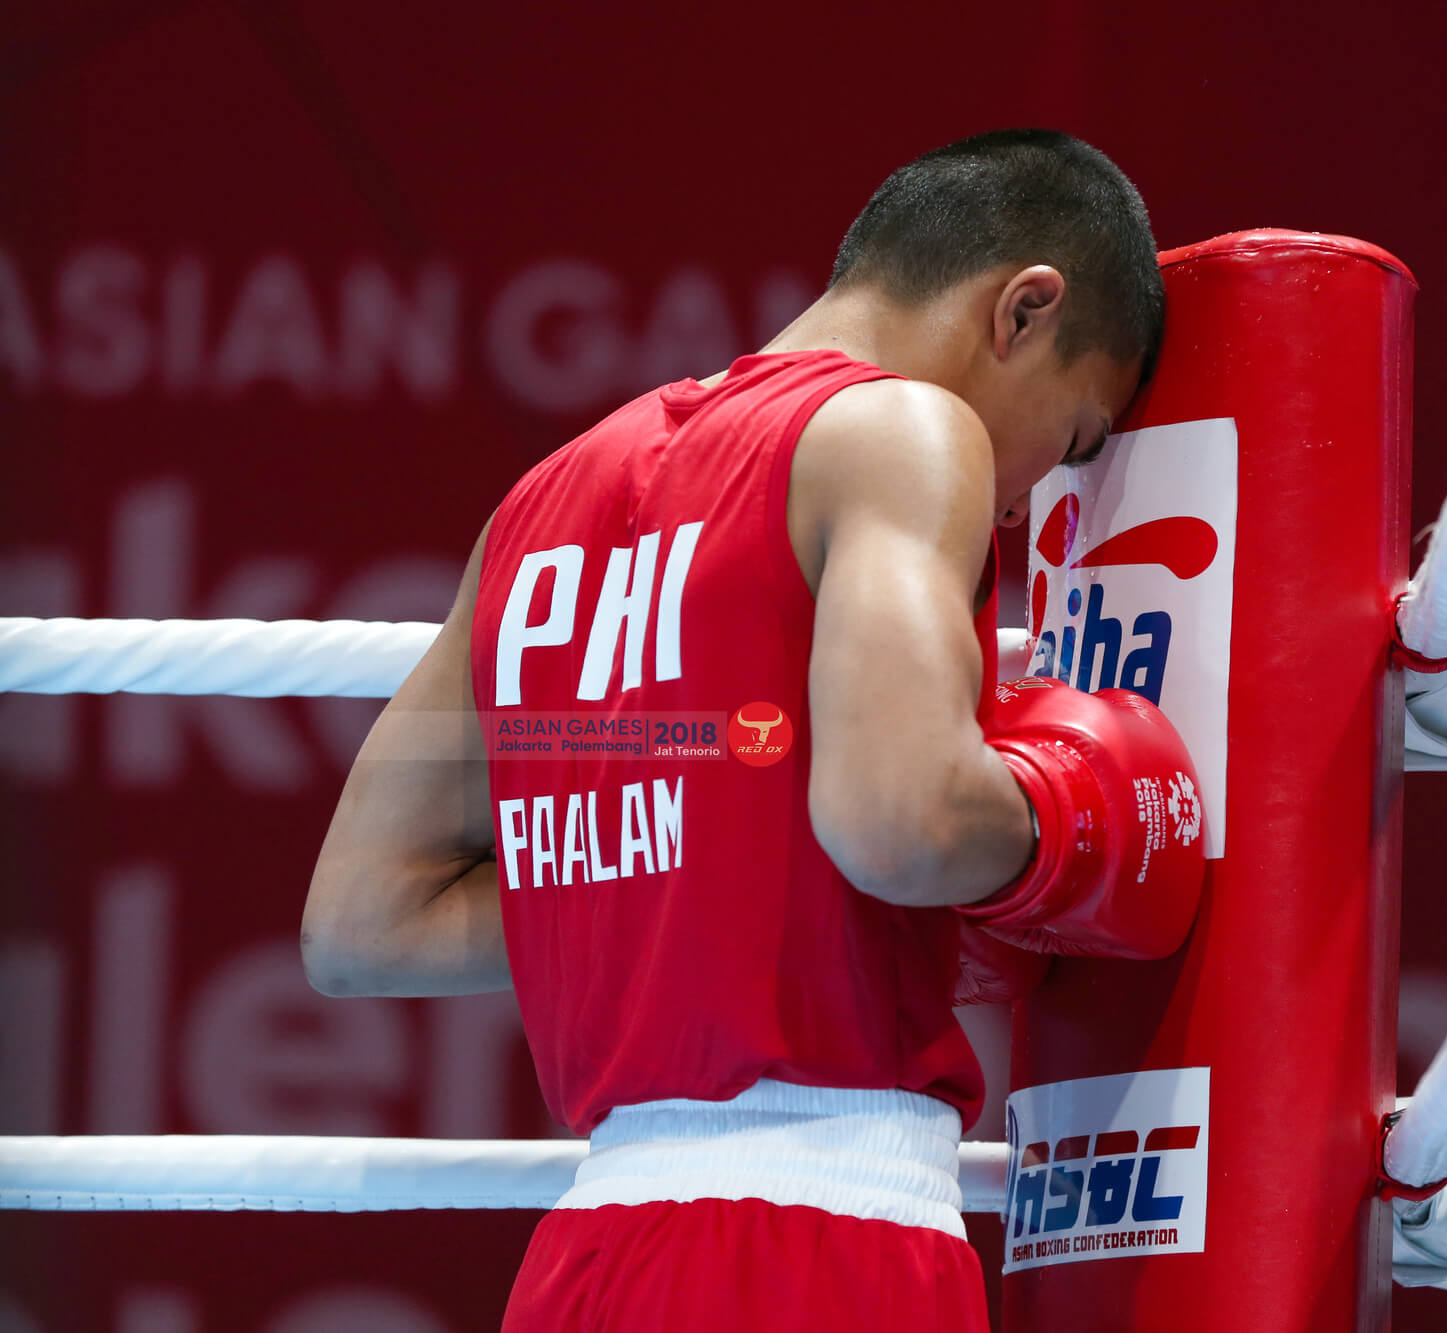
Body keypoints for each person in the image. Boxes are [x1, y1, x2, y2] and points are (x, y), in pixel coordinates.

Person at [301, 129, 1204, 1331]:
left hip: (588, 1258)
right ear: (1023, 311)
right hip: (821, 1241)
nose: (1030, 491)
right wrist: (1066, 819)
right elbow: (900, 823)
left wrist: (695, 890)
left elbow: (365, 919)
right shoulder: (905, 434)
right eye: (1075, 436)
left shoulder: (541, 499)